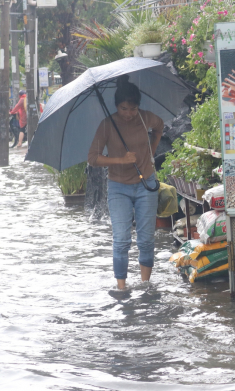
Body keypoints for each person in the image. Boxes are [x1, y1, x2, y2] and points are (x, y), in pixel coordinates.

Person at [88, 75, 164, 291]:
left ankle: (145, 284)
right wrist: (120, 160)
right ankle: (121, 287)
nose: (129, 114)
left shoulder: (145, 118)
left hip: (145, 184)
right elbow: (92, 158)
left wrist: (152, 149)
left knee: (146, 239)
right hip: (118, 186)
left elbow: (159, 127)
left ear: (138, 107)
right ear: (117, 106)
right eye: (123, 109)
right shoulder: (107, 125)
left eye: (132, 109)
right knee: (121, 239)